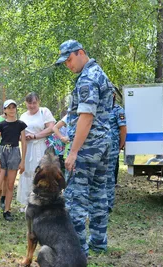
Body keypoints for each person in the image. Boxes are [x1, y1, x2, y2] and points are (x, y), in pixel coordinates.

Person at [55, 40, 114, 256]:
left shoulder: (88, 78)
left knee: (75, 199)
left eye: (69, 60)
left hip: (87, 147)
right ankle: (99, 243)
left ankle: (78, 251)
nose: (68, 65)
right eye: (65, 62)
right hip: (102, 145)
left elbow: (86, 118)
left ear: (81, 53)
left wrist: (73, 152)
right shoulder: (99, 73)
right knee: (99, 195)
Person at [0, 100, 27, 222]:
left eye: (14, 107)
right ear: (4, 110)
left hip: (14, 152)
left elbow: (24, 142)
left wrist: (23, 161)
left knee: (10, 184)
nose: (11, 110)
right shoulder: (1, 125)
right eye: (9, 108)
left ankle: (7, 210)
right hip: (2, 153)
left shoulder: (21, 125)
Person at [17, 92, 55, 210]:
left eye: (34, 103)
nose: (32, 105)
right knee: (28, 173)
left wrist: (35, 136)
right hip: (28, 148)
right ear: (26, 103)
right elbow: (19, 133)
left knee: (42, 173)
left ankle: (44, 201)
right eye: (29, 103)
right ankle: (28, 202)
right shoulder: (23, 116)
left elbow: (51, 128)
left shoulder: (44, 112)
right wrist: (24, 137)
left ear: (38, 102)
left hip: (41, 146)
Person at [106, 94, 127, 212]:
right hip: (99, 149)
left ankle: (108, 205)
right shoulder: (100, 109)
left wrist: (120, 145)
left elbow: (123, 129)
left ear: (113, 95)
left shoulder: (118, 110)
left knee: (109, 176)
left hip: (112, 149)